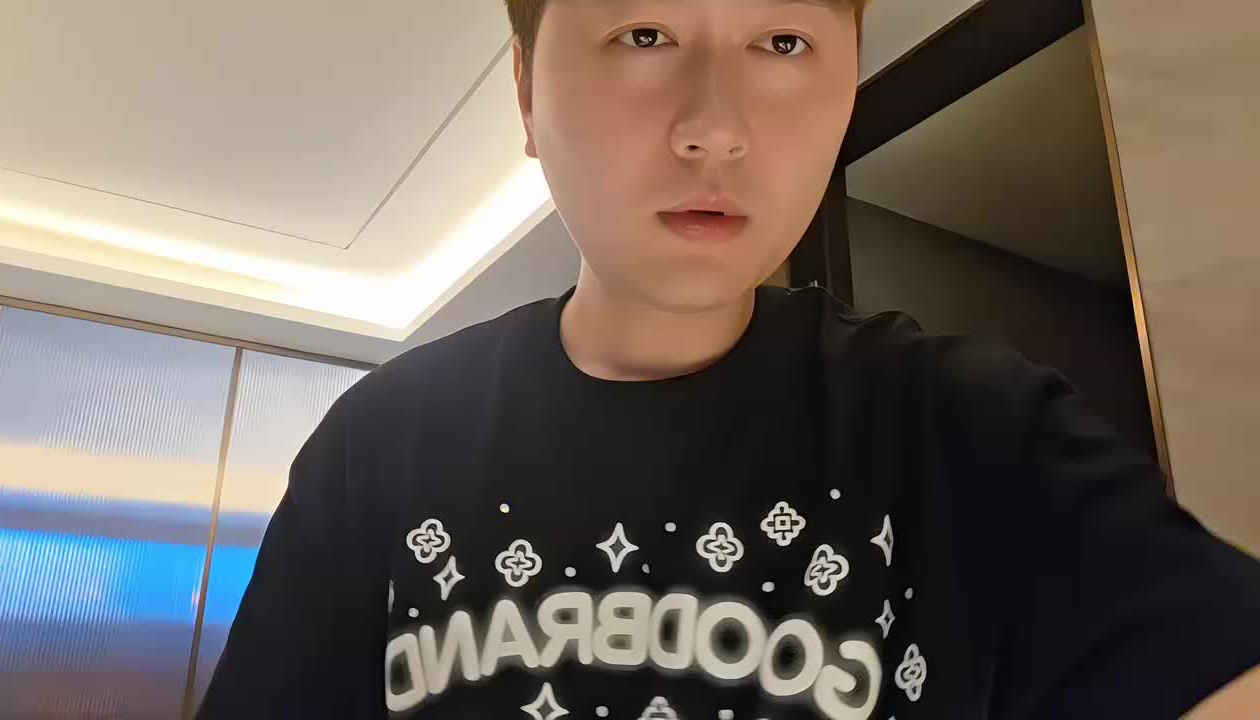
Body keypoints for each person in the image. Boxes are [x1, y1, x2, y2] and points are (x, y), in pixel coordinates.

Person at [198, 1, 1260, 717]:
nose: (715, 129)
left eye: (783, 42)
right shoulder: (382, 445)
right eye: (645, 33)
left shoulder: (975, 432)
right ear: (526, 91)